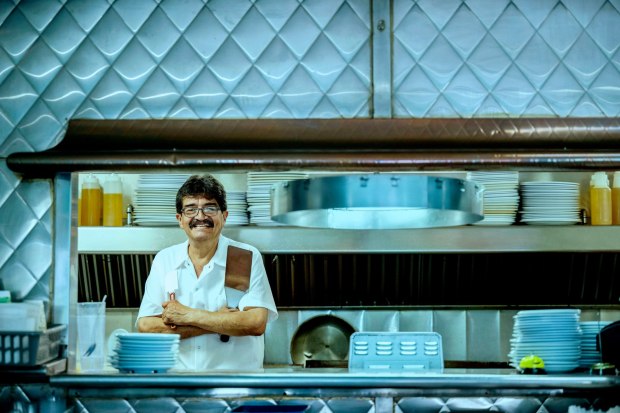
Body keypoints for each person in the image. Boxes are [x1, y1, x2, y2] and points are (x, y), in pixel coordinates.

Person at [137, 174, 278, 370]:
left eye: (210, 208)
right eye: (191, 209)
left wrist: (187, 315)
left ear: (224, 216)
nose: (200, 216)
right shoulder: (165, 259)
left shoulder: (242, 257)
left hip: (236, 387)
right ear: (180, 219)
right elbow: (147, 326)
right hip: (179, 384)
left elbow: (254, 323)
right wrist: (219, 320)